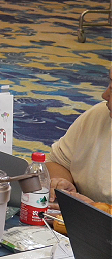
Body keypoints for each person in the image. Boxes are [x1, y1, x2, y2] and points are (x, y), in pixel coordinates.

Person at [48, 72, 112, 206]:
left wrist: (97, 209)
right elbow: (57, 163)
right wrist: (61, 184)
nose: (105, 95)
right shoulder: (99, 115)